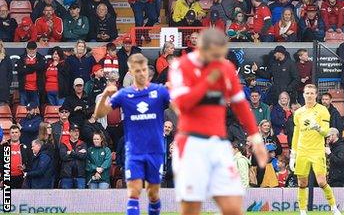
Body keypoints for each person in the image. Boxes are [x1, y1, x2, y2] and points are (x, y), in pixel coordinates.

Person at [167, 28, 268, 215]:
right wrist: (207, 82)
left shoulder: (226, 68)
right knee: (191, 207)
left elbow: (241, 105)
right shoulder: (181, 67)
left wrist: (256, 138)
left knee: (233, 207)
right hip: (190, 143)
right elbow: (182, 103)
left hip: (218, 143)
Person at [93, 53, 171, 215]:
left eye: (143, 70)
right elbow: (99, 114)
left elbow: (181, 109)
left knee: (153, 194)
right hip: (134, 151)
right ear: (130, 72)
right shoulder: (124, 94)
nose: (141, 73)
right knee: (134, 192)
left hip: (154, 151)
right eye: (137, 70)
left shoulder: (159, 91)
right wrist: (106, 94)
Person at [290, 83, 342, 215]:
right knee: (302, 182)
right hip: (302, 151)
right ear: (303, 95)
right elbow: (296, 134)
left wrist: (318, 127)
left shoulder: (322, 110)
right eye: (307, 93)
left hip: (317, 151)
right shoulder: (298, 113)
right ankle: (302, 211)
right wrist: (293, 154)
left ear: (316, 95)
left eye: (312, 93)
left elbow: (326, 132)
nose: (309, 95)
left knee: (321, 181)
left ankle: (334, 207)